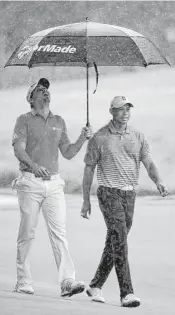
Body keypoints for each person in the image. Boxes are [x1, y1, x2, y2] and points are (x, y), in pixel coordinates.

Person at [81, 96, 168, 307]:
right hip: (108, 192)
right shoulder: (99, 137)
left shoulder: (138, 136)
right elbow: (89, 169)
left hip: (130, 195)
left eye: (128, 108)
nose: (126, 112)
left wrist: (158, 181)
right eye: (121, 109)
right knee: (120, 238)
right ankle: (126, 293)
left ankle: (95, 285)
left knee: (114, 240)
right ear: (112, 111)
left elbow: (148, 161)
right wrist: (86, 200)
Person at [12, 78, 93, 297]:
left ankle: (67, 281)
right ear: (31, 98)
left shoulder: (59, 120)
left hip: (54, 184)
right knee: (27, 233)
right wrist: (34, 166)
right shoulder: (24, 120)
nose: (45, 93)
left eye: (47, 90)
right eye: (40, 90)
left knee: (60, 233)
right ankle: (23, 282)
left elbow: (67, 152)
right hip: (29, 182)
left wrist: (82, 138)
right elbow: (19, 150)